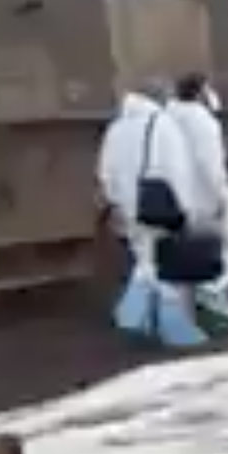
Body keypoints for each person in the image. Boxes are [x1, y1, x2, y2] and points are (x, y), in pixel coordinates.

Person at [94, 87, 210, 348]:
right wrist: (188, 209)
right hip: (161, 207)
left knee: (147, 263)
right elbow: (177, 169)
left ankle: (135, 318)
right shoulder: (164, 125)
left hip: (130, 208)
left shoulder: (116, 129)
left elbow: (105, 173)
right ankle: (171, 331)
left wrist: (118, 203)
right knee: (165, 266)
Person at [161, 73, 228, 334]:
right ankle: (212, 297)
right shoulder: (203, 122)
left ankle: (183, 322)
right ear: (201, 93)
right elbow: (210, 164)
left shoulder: (165, 119)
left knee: (184, 260)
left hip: (175, 199)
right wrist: (220, 198)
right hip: (205, 196)